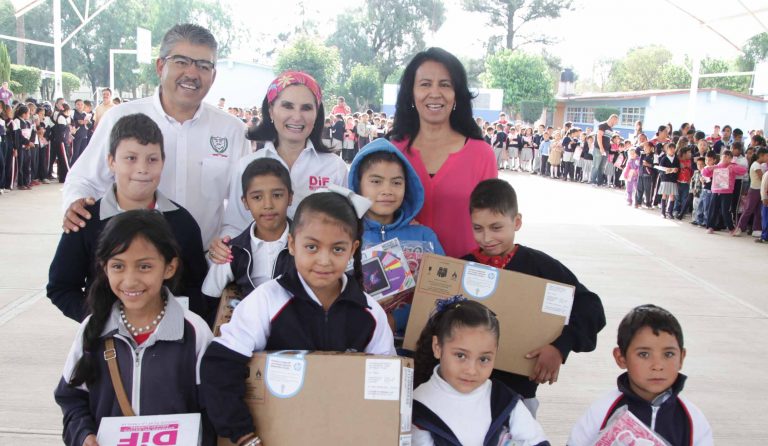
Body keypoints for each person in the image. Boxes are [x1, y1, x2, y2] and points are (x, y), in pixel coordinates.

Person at [199, 191, 396, 445]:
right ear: (292, 244)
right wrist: (242, 434)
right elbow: (220, 365)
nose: (323, 261)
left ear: (353, 249)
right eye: (311, 247)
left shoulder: (370, 314)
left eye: (337, 249)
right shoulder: (267, 301)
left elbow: (387, 386)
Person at [62, 24, 250, 248]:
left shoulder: (232, 130)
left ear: (213, 75)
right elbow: (84, 179)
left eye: (203, 66)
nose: (192, 73)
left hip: (203, 266)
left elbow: (242, 202)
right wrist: (76, 203)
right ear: (160, 66)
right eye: (181, 62)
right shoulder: (120, 118)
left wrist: (228, 245)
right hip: (132, 267)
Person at [53, 210, 215, 446]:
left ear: (169, 267)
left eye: (144, 267)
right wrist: (84, 435)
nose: (130, 280)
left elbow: (213, 408)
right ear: (104, 267)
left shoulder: (195, 332)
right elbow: (72, 399)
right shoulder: (93, 329)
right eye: (118, 266)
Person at [462, 179, 606, 416]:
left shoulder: (541, 267)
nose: (486, 238)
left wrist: (560, 347)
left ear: (517, 222)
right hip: (462, 390)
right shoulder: (461, 267)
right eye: (478, 228)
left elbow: (590, 307)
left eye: (496, 227)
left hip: (518, 396)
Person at [47, 113, 208, 322]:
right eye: (131, 158)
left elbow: (196, 286)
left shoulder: (182, 222)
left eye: (152, 159)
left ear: (163, 162)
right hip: (105, 345)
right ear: (112, 161)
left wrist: (179, 324)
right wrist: (99, 321)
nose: (142, 169)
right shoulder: (85, 220)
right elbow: (61, 287)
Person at [212, 71, 348, 263]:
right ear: (270, 110)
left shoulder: (335, 167)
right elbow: (234, 225)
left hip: (314, 275)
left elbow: (345, 229)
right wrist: (222, 248)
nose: (297, 117)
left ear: (317, 114)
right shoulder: (246, 166)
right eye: (287, 106)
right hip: (256, 277)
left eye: (307, 108)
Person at [389, 47, 497, 258]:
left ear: (457, 95)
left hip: (462, 280)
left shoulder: (481, 155)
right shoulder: (392, 151)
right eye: (425, 84)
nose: (435, 93)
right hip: (399, 282)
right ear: (411, 93)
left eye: (445, 85)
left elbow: (493, 224)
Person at [567, 305, 713, 446]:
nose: (657, 366)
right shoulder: (602, 411)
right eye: (644, 354)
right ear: (621, 358)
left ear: (681, 358)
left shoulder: (692, 419)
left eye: (668, 354)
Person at [412, 298, 550, 446]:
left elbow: (536, 440)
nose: (472, 370)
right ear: (437, 347)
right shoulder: (417, 406)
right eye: (460, 355)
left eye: (484, 359)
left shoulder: (503, 400)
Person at [348, 138, 445, 336]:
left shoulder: (425, 237)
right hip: (358, 340)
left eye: (396, 182)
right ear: (358, 187)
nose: (387, 190)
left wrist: (397, 320)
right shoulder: (345, 236)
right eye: (375, 181)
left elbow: (442, 292)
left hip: (414, 344)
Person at [202, 158, 293, 299]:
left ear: (290, 198)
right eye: (257, 197)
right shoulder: (233, 250)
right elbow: (209, 295)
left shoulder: (305, 246)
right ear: (245, 202)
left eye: (277, 195)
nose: (268, 204)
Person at [702, 150, 748, 235]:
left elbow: (744, 171)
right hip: (715, 191)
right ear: (721, 157)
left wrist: (732, 168)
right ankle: (710, 227)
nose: (725, 158)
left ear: (731, 158)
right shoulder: (716, 166)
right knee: (713, 209)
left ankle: (731, 228)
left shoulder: (733, 166)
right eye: (724, 156)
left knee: (725, 210)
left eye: (728, 157)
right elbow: (704, 173)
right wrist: (710, 168)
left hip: (727, 192)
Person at [590, 114, 618, 186]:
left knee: (602, 167)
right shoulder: (602, 125)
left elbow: (607, 139)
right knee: (596, 166)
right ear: (612, 119)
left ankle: (599, 182)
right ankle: (593, 181)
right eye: (616, 122)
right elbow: (599, 137)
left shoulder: (610, 129)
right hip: (599, 149)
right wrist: (601, 148)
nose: (616, 124)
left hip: (606, 150)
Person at [656, 143, 680, 219]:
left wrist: (676, 170)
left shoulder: (676, 159)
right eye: (670, 149)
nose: (672, 150)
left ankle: (670, 212)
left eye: (674, 149)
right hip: (665, 179)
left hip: (673, 179)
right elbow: (660, 169)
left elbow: (678, 169)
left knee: (672, 196)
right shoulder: (664, 158)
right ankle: (663, 212)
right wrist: (666, 171)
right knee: (664, 195)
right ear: (667, 150)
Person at [635, 141, 655, 208]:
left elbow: (656, 166)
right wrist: (642, 144)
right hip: (640, 174)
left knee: (648, 190)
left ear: (651, 148)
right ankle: (638, 203)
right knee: (639, 189)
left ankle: (648, 204)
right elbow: (636, 150)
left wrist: (648, 164)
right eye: (644, 147)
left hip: (648, 175)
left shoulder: (653, 155)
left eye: (647, 146)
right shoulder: (642, 154)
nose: (645, 148)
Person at [71, 99, 89, 164]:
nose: (80, 106)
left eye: (81, 104)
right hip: (76, 137)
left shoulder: (85, 114)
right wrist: (77, 122)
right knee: (75, 153)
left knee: (82, 154)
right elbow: (69, 122)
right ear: (75, 105)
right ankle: (72, 169)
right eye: (78, 104)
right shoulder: (72, 112)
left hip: (84, 136)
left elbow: (89, 125)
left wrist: (87, 122)